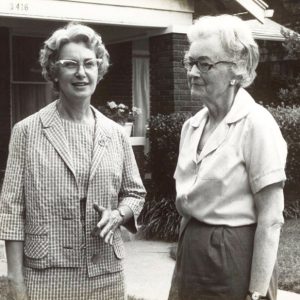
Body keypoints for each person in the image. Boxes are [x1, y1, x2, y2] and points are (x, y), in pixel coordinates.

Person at [0, 22, 146, 300]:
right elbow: (11, 212)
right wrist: (15, 281)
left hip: (105, 275)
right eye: (70, 64)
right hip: (46, 276)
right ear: (54, 71)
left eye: (89, 64)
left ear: (99, 70)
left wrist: (118, 214)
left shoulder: (115, 133)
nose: (81, 73)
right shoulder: (27, 131)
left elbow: (135, 193)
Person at [168, 15, 287, 300]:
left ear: (238, 69)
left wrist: (257, 291)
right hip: (191, 257)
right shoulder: (192, 126)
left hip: (233, 259)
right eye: (190, 62)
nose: (193, 72)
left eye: (205, 64)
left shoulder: (256, 124)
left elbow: (270, 218)